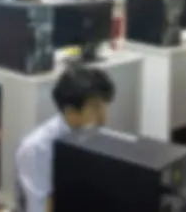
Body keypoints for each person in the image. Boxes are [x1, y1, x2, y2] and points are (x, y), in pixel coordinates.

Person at [15, 66, 115, 212]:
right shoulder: (36, 148)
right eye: (95, 108)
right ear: (70, 111)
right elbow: (39, 208)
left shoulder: (94, 136)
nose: (103, 118)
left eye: (105, 106)